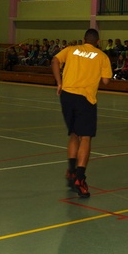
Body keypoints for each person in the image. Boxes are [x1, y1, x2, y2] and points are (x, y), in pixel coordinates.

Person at [52, 28, 113, 199]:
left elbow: (55, 60)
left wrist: (59, 82)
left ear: (84, 39)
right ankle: (80, 179)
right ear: (98, 42)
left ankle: (71, 171)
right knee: (85, 137)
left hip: (67, 95)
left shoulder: (71, 50)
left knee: (73, 134)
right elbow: (106, 81)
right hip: (85, 98)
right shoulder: (102, 56)